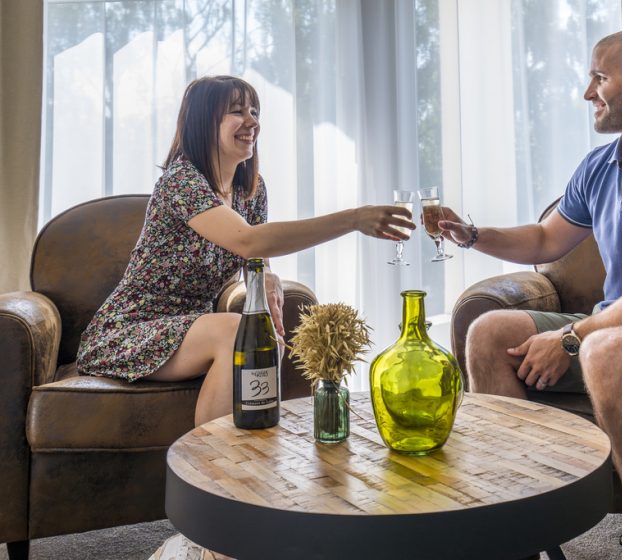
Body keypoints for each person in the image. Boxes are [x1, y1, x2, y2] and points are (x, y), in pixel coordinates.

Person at [436, 29, 622, 560]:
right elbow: (545, 240)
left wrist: (572, 337)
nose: (587, 93)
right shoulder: (600, 166)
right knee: (488, 333)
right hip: (617, 334)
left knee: (607, 349)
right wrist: (472, 234)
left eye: (600, 78)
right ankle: (524, 531)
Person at [77, 75, 415, 427]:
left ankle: (254, 454)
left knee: (267, 339)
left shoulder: (249, 190)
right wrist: (354, 219)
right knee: (237, 333)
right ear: (205, 123)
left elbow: (255, 257)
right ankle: (210, 459)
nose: (252, 122)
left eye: (254, 111)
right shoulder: (181, 182)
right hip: (131, 330)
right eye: (237, 111)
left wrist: (265, 275)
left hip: (193, 326)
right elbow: (249, 240)